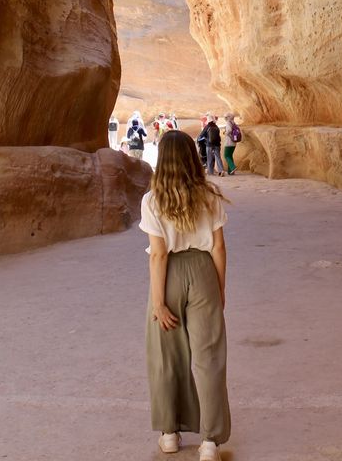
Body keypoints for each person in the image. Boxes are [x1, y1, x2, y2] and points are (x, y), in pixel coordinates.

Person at [139, 130, 231, 461]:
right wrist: (219, 289)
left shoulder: (152, 200)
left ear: (162, 160)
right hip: (203, 270)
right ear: (194, 157)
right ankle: (209, 442)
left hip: (169, 276)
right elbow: (219, 247)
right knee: (209, 358)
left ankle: (169, 434)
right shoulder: (209, 196)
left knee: (166, 356)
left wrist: (159, 302)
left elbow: (158, 254)